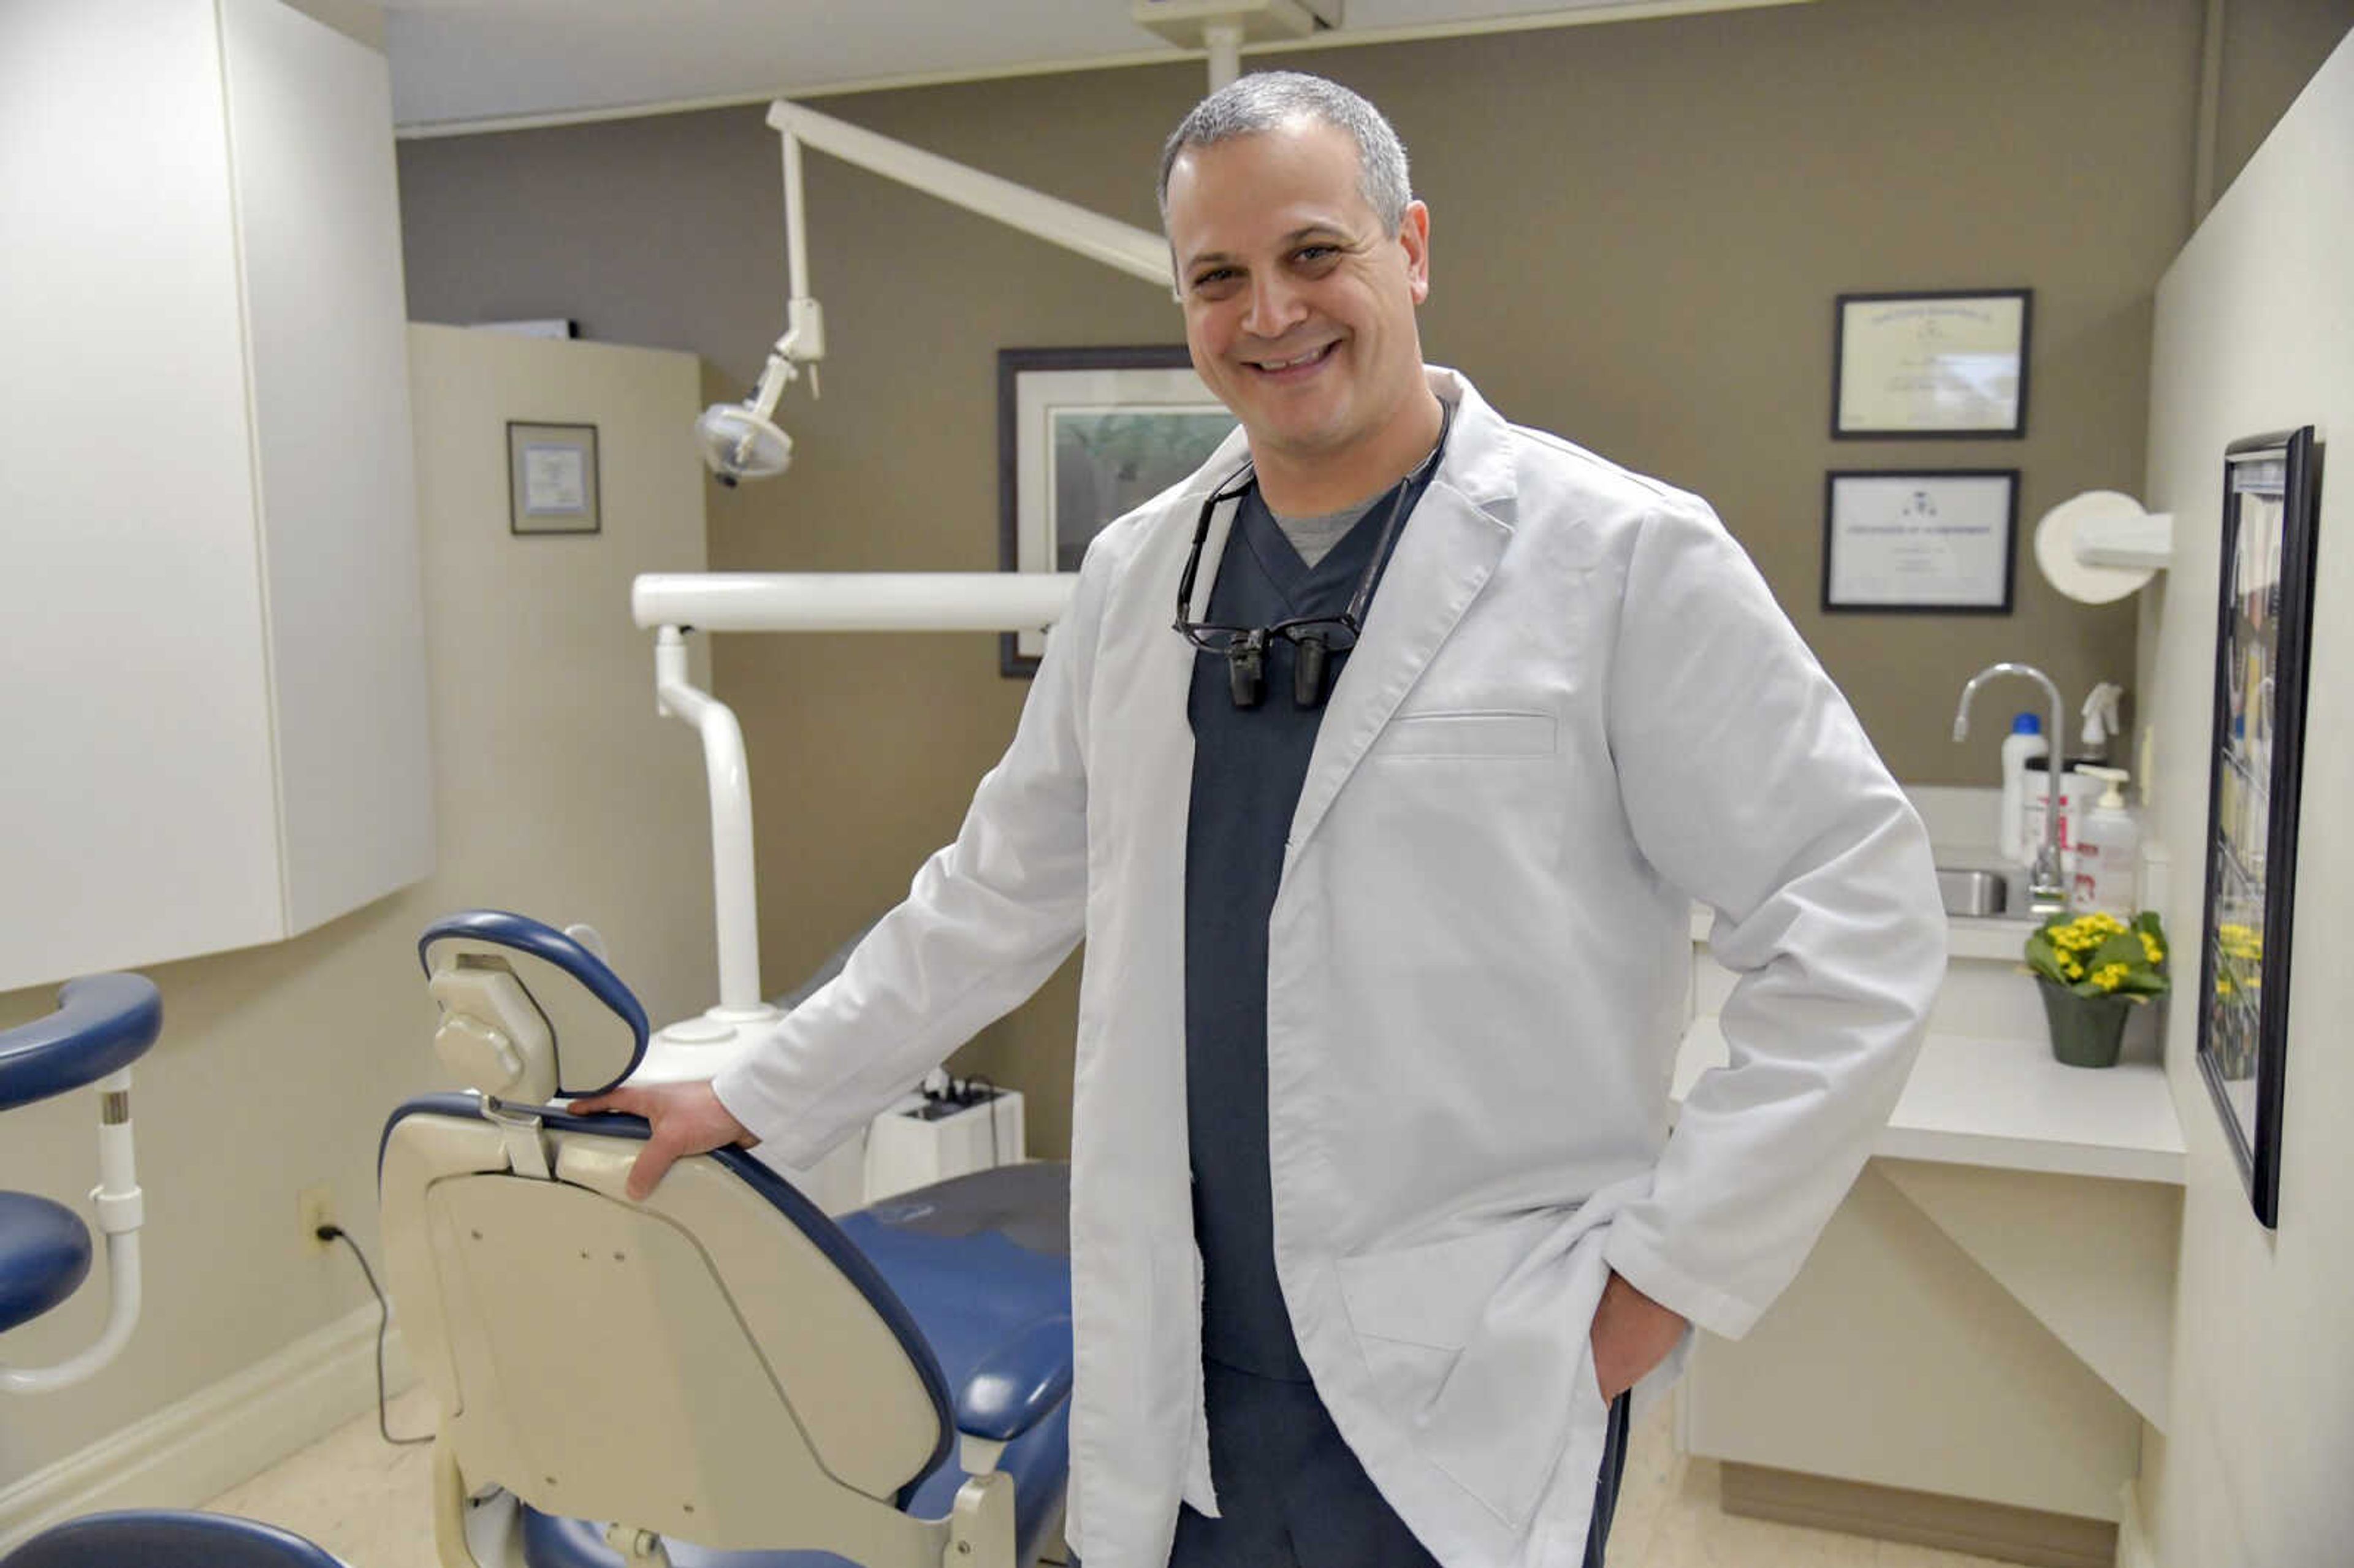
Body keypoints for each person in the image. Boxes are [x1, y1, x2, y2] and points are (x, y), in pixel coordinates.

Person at [575, 71, 1945, 1568]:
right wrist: (760, 1089)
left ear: (1410, 248)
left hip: (1482, 1348)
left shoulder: (1621, 560)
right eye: (1216, 277)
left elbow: (1859, 919)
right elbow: (996, 894)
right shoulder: (1137, 574)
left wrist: (1666, 1279)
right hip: (1182, 1353)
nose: (1270, 312)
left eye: (1314, 254)